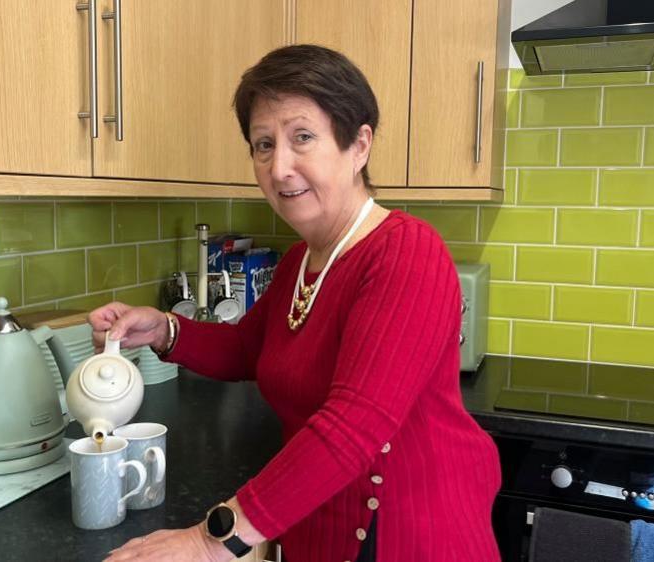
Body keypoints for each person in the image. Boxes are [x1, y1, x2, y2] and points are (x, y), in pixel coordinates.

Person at [93, 44, 501, 562]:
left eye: (302, 137)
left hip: (408, 533)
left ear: (359, 145)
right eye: (263, 144)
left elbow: (353, 426)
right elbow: (250, 348)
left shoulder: (405, 252)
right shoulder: (299, 262)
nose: (279, 167)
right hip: (318, 524)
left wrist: (209, 540)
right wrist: (164, 331)